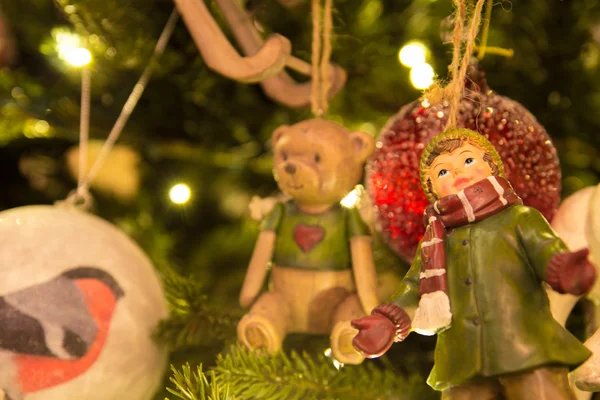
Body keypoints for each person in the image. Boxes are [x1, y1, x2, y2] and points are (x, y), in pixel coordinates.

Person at [352, 128, 596, 400]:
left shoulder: (519, 219)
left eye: (468, 160)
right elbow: (414, 288)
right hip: (462, 361)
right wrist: (389, 321)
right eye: (443, 172)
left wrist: (565, 269)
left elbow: (546, 251)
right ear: (432, 190)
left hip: (527, 351)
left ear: (491, 166)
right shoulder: (436, 241)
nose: (457, 173)